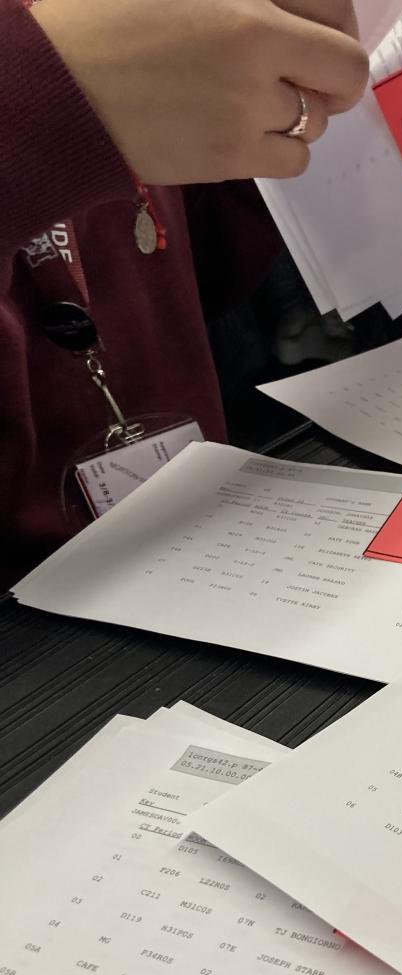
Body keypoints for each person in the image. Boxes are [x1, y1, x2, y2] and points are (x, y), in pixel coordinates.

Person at [0, 0, 369, 585]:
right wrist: (34, 93)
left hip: (206, 534)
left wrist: (252, 145)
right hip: (31, 598)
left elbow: (191, 279)